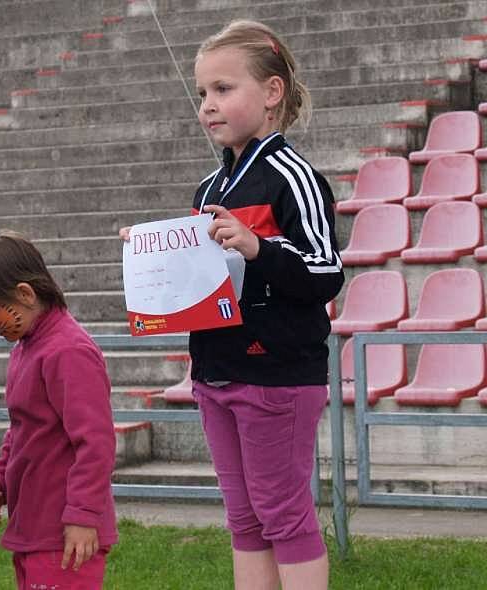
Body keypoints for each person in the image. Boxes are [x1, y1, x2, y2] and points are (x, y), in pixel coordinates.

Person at [120, 20, 343, 590]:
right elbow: (204, 286)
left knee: (283, 514)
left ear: (272, 94)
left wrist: (259, 248)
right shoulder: (208, 188)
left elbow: (325, 272)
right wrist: (153, 260)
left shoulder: (293, 178)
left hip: (276, 376)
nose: (208, 105)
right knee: (244, 518)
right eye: (202, 93)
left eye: (223, 89)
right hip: (216, 373)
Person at [0, 232, 117, 590]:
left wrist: (83, 516)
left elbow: (96, 442)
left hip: (65, 534)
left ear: (25, 294)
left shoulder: (68, 352)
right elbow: (23, 427)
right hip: (35, 527)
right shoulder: (27, 347)